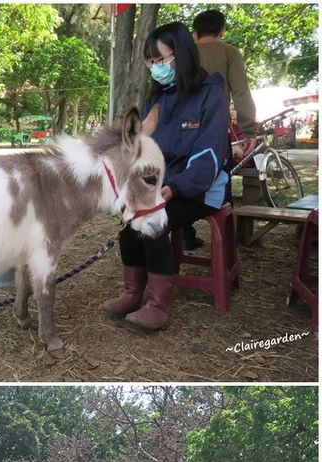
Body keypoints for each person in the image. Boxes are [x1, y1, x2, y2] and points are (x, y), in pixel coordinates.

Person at [101, 21, 230, 330]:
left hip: (203, 188)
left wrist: (173, 187)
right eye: (152, 62)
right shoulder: (156, 99)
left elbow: (209, 155)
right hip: (162, 185)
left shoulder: (211, 92)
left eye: (161, 59)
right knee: (128, 222)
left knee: (151, 223)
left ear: (181, 54)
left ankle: (158, 305)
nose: (156, 67)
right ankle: (133, 293)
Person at [189, 8, 256, 248]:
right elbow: (240, 93)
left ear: (194, 33)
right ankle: (224, 240)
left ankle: (184, 233)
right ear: (222, 30)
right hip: (215, 132)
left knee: (180, 176)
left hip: (183, 132)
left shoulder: (184, 54)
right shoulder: (229, 52)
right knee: (221, 179)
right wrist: (249, 131)